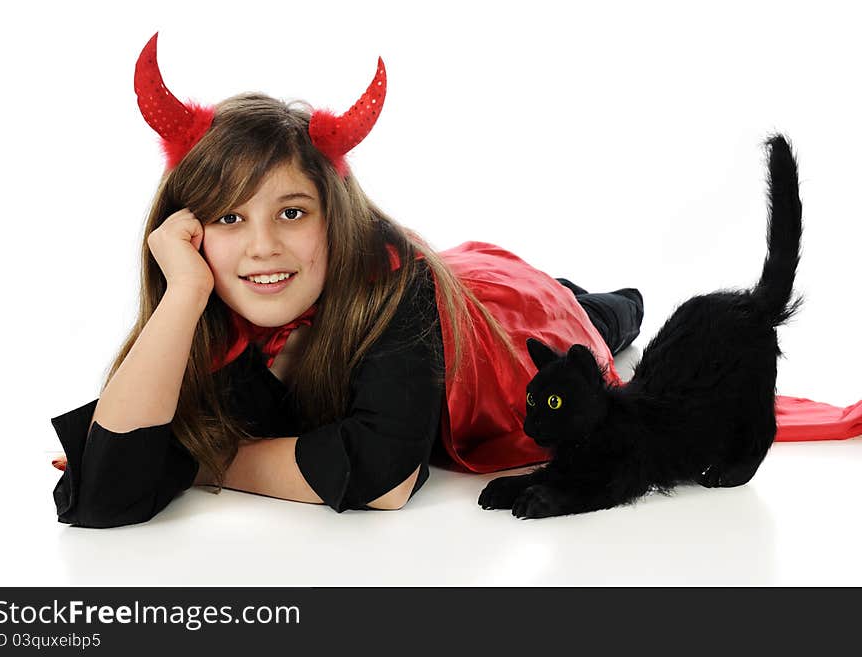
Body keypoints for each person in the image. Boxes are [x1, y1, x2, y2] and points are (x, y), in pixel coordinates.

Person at [48, 34, 644, 528]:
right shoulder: (210, 300)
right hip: (443, 289)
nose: (262, 247)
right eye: (229, 217)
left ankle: (616, 305)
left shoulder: (391, 286)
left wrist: (202, 461)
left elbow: (384, 477)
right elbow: (104, 493)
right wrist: (181, 294)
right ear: (188, 231)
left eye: (291, 212)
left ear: (334, 220)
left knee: (587, 319)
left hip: (492, 326)